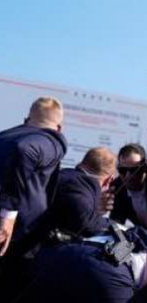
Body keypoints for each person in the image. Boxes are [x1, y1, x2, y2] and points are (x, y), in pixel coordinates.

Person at [0, 97, 67, 260]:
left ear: (27, 120)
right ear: (59, 127)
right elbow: (25, 150)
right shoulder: (50, 141)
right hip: (15, 235)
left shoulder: (5, 136)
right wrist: (8, 215)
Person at [39, 147, 117, 237]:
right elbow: (86, 225)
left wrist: (95, 210)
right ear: (109, 180)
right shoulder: (79, 186)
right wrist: (116, 226)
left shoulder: (64, 174)